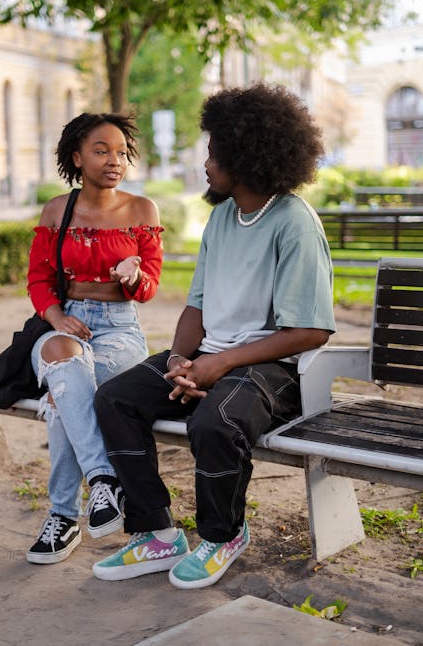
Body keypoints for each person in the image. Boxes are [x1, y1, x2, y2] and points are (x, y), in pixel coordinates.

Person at [92, 83, 336, 589]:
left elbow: (310, 330)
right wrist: (181, 361)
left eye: (213, 152)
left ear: (245, 156)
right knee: (116, 398)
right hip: (211, 357)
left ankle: (223, 535)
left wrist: (219, 364)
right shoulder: (222, 217)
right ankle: (157, 533)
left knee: (216, 420)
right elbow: (197, 305)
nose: (205, 162)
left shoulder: (294, 223)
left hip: (274, 369)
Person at [25, 111, 163, 565]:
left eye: (122, 152)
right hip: (66, 326)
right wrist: (57, 316)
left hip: (119, 330)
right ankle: (104, 481)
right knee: (62, 360)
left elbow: (149, 289)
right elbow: (38, 281)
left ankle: (63, 516)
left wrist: (133, 274)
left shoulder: (142, 211)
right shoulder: (55, 211)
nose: (114, 160)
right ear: (77, 157)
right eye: (101, 151)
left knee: (65, 395)